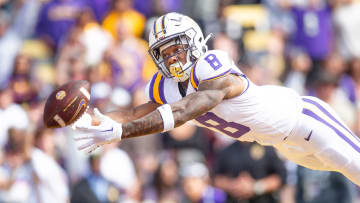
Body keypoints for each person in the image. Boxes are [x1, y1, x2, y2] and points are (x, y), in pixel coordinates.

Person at [72, 12, 360, 186]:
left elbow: (185, 110)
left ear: (195, 41)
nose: (172, 57)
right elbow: (136, 111)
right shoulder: (166, 86)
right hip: (286, 147)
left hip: (306, 121)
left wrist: (121, 132)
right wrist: (98, 119)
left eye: (177, 48)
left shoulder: (211, 64)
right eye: (165, 53)